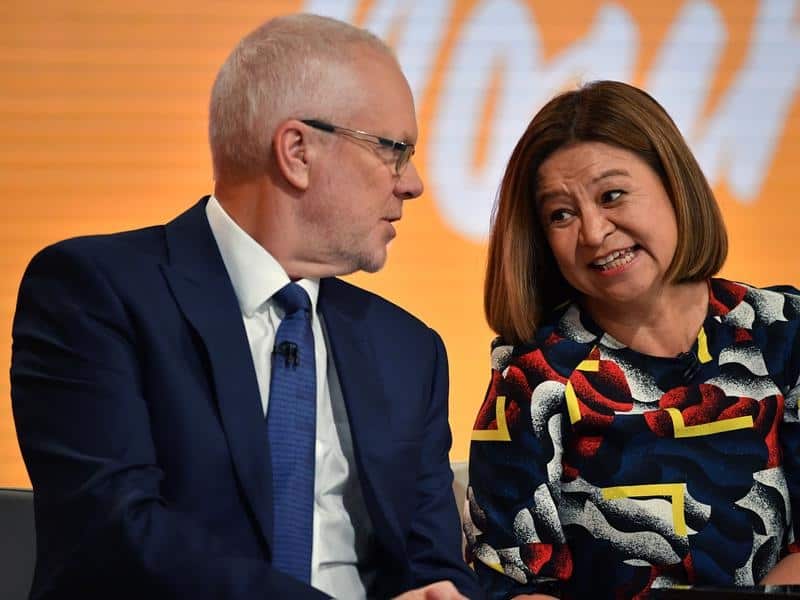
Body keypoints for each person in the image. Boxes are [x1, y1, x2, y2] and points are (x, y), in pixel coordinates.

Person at [11, 14, 481, 600]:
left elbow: (429, 561)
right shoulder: (96, 292)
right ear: (297, 151)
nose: (411, 183)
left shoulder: (408, 349)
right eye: (393, 150)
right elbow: (117, 536)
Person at [465, 80, 800, 599]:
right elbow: (510, 585)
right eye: (561, 214)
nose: (594, 232)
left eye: (612, 195)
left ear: (674, 185)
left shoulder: (783, 328)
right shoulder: (532, 379)